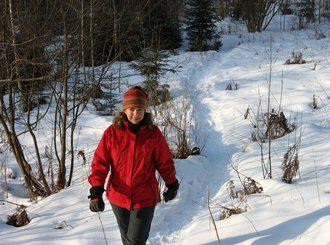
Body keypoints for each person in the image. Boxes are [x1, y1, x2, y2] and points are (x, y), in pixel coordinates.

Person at [88, 85, 179, 245]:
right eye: (131, 109)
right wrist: (96, 190)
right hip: (118, 196)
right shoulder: (112, 133)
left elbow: (164, 162)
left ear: (145, 110)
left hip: (144, 197)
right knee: (127, 240)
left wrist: (171, 184)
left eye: (139, 109)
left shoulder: (153, 133)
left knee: (134, 242)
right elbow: (100, 163)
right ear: (124, 110)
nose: (135, 114)